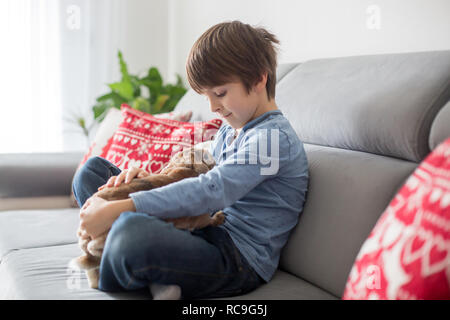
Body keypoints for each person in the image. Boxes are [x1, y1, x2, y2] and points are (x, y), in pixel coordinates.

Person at [72, 20, 309, 299]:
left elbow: (212, 189)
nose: (212, 106)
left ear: (259, 79)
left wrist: (122, 207)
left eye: (219, 93)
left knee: (130, 232)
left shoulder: (273, 140)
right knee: (92, 171)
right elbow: (184, 169)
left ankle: (119, 260)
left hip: (236, 257)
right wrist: (140, 178)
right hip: (202, 227)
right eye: (206, 96)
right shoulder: (231, 131)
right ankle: (150, 272)